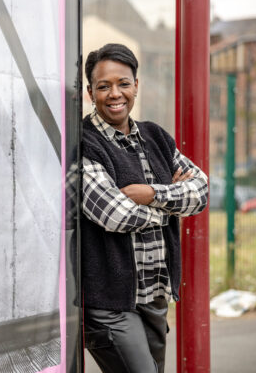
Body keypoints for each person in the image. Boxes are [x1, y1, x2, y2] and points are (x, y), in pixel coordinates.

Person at [80, 43, 208, 373]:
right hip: (110, 301)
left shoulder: (156, 137)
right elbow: (115, 214)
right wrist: (172, 200)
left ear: (136, 85)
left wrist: (149, 193)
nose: (114, 93)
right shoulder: (83, 143)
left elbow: (202, 190)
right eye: (103, 86)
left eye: (123, 83)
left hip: (154, 295)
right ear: (90, 93)